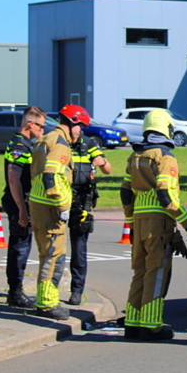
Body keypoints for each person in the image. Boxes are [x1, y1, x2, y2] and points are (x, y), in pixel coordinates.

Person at [120, 108, 187, 341]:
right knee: (157, 273)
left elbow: (125, 193)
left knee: (140, 273)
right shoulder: (164, 156)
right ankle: (152, 326)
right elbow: (165, 194)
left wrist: (131, 221)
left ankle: (132, 324)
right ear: (167, 129)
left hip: (139, 220)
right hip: (158, 222)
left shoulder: (135, 156)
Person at [28, 104, 89, 320]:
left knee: (46, 255)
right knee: (54, 257)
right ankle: (47, 304)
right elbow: (51, 176)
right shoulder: (60, 144)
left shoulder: (46, 138)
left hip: (37, 205)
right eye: (80, 126)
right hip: (51, 209)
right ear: (72, 123)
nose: (80, 132)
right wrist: (62, 206)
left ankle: (44, 300)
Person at [1, 106, 46, 309]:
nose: (42, 130)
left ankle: (16, 291)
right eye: (41, 126)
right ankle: (15, 293)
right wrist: (22, 209)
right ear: (30, 124)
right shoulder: (19, 145)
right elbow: (13, 178)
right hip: (19, 202)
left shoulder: (27, 144)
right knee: (19, 247)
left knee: (23, 246)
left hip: (26, 201)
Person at [65, 129, 111, 306]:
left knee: (79, 248)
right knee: (55, 249)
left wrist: (102, 161)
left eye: (77, 126)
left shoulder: (89, 143)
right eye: (71, 126)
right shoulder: (60, 143)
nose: (74, 130)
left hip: (81, 202)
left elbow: (107, 169)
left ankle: (77, 291)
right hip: (60, 200)